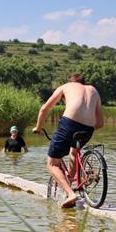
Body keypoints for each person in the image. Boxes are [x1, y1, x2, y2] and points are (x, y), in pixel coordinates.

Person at [32, 73, 104, 208]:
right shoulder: (94, 91)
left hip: (69, 124)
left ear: (71, 82)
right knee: (74, 152)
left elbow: (44, 109)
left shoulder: (65, 87)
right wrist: (87, 126)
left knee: (52, 163)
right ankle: (69, 184)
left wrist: (38, 127)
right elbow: (100, 123)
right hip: (88, 129)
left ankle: (71, 194)